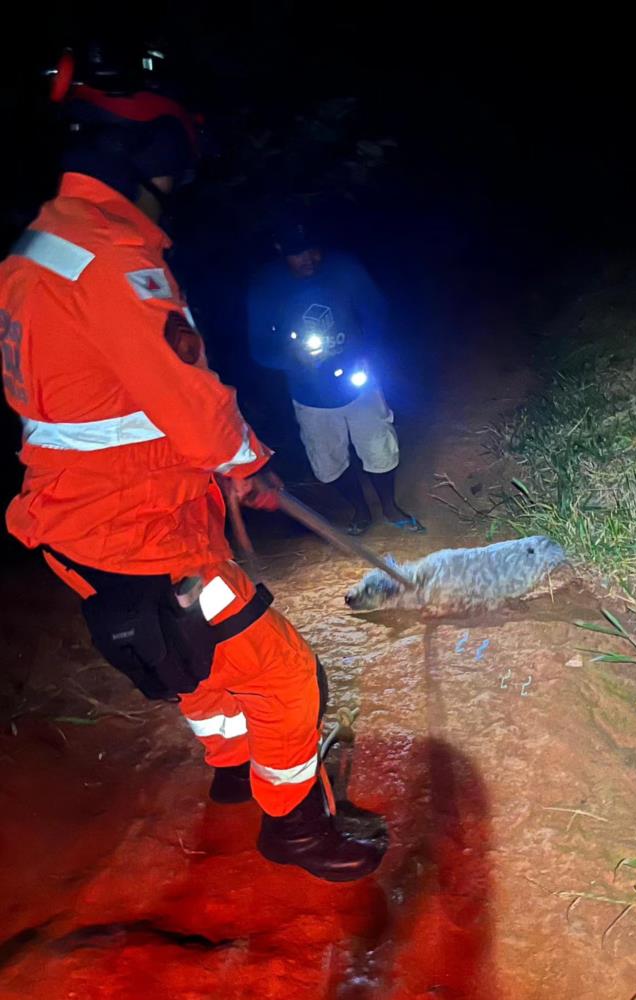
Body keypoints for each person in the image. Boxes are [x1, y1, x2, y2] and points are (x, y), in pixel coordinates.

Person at [0, 43, 384, 883]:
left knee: (195, 664)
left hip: (73, 525)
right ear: (153, 155)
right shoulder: (111, 256)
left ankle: (232, 771)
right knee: (284, 673)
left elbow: (101, 402)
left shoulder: (40, 248)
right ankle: (298, 828)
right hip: (139, 532)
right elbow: (187, 398)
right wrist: (247, 462)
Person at [248, 218, 424, 535]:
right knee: (327, 464)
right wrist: (291, 357)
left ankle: (389, 507)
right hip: (308, 393)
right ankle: (360, 511)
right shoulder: (266, 286)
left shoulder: (344, 268)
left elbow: (377, 310)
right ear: (279, 249)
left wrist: (366, 352)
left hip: (359, 380)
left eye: (314, 249)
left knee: (380, 447)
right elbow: (259, 347)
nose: (309, 259)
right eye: (298, 253)